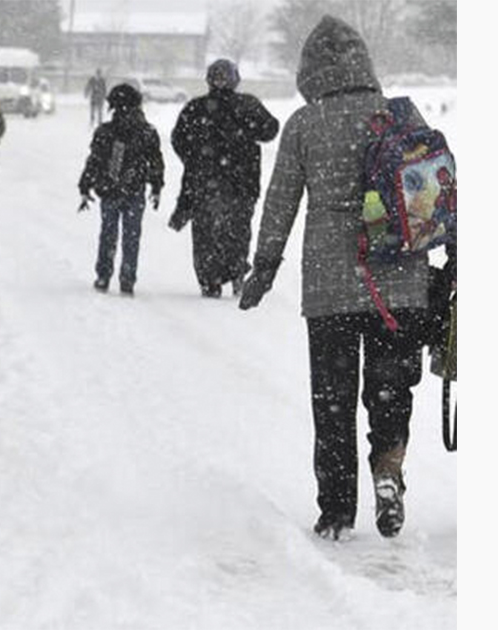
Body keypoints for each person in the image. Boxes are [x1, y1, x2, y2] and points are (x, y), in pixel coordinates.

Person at [239, 16, 436, 541]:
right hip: (400, 281)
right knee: (391, 390)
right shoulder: (397, 115)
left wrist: (264, 265)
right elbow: (434, 191)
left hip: (331, 287)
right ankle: (388, 469)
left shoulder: (305, 123)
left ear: (310, 71)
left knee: (333, 400)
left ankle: (336, 511)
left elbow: (280, 201)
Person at [170, 59, 279, 298]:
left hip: (205, 183)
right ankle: (236, 270)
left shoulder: (196, 108)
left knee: (206, 234)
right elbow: (270, 129)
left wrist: (196, 159)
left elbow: (178, 139)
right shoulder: (247, 104)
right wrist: (246, 130)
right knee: (237, 231)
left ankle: (211, 280)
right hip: (242, 183)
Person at [77, 83, 164, 297]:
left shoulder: (106, 131)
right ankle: (127, 278)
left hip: (110, 189)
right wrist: (156, 185)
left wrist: (85, 185)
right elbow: (156, 161)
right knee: (131, 236)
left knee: (108, 233)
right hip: (134, 190)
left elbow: (94, 161)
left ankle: (104, 275)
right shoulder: (147, 132)